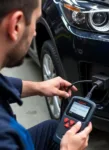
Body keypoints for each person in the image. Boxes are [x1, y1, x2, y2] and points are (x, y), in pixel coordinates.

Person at [0, 0, 93, 150]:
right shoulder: (5, 137)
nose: (35, 32)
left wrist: (39, 87)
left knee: (52, 129)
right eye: (35, 22)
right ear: (15, 25)